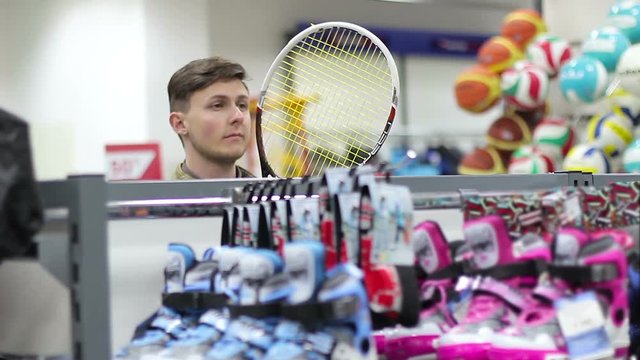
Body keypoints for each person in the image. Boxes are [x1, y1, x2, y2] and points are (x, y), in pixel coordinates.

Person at [168, 57, 255, 179]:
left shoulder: (272, 198)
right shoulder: (162, 198)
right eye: (218, 105)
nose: (238, 116)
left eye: (242, 105)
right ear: (180, 124)